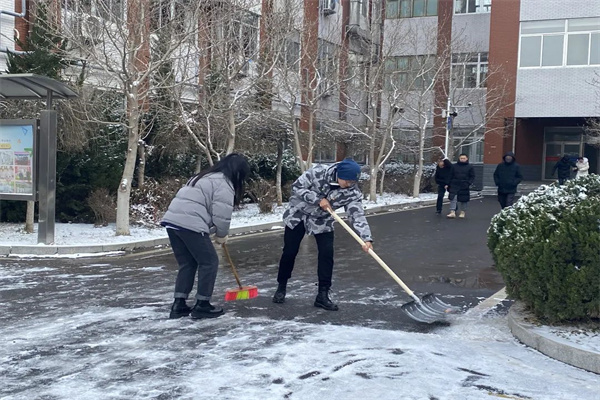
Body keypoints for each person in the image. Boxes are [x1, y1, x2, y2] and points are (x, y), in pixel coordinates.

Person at [272, 158, 373, 311]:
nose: (349, 184)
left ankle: (322, 295)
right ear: (339, 173)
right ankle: (281, 286)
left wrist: (366, 238)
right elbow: (296, 188)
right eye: (347, 181)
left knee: (327, 254)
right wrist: (318, 199)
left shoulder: (352, 191)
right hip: (299, 214)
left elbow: (357, 215)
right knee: (290, 252)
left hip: (322, 220)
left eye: (353, 182)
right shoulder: (318, 172)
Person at [161, 153, 250, 319]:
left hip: (172, 222)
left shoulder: (203, 176)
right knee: (209, 262)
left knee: (187, 263)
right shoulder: (224, 183)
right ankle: (202, 304)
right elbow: (222, 214)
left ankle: (179, 304)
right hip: (190, 224)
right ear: (238, 172)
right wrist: (221, 235)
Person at [447, 153, 475, 219]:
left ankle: (463, 212)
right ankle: (452, 211)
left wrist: (468, 183)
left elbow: (472, 176)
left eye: (464, 158)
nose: (462, 159)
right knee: (453, 198)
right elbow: (450, 175)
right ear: (459, 159)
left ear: (466, 159)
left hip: (464, 184)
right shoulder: (454, 166)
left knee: (464, 199)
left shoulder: (470, 167)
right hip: (454, 184)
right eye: (461, 158)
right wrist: (448, 183)